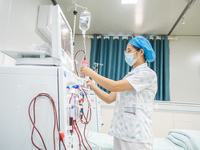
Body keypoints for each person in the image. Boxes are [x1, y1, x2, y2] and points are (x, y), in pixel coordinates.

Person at [80, 36, 157, 150]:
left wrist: (91, 73)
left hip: (137, 135)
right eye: (126, 51)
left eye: (129, 51)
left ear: (141, 52)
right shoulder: (129, 76)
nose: (126, 53)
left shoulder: (147, 74)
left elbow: (114, 86)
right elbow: (109, 98)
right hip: (122, 131)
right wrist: (92, 85)